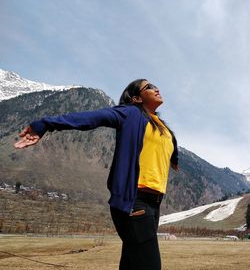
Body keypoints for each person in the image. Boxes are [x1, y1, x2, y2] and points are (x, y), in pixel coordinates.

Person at [14, 79, 179, 270]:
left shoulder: (160, 125)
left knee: (131, 263)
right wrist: (45, 124)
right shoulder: (130, 113)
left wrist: (174, 156)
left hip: (154, 203)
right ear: (136, 98)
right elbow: (92, 117)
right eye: (148, 87)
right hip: (134, 200)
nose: (156, 88)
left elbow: (170, 140)